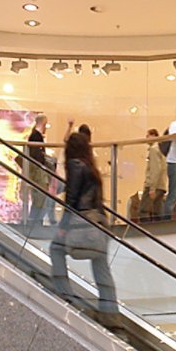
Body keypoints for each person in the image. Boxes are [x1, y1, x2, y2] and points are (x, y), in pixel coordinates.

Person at [48, 130, 118, 314]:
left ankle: (65, 295)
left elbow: (71, 198)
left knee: (56, 248)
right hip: (100, 223)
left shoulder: (75, 164)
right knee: (101, 267)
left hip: (83, 222)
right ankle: (110, 312)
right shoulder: (91, 167)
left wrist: (63, 226)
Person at [20, 114, 54, 230]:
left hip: (36, 171)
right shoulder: (36, 136)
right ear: (43, 123)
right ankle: (33, 222)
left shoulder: (35, 135)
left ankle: (34, 221)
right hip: (37, 172)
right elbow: (36, 156)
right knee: (40, 198)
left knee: (40, 198)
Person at [141, 128, 168, 221]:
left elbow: (155, 169)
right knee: (157, 211)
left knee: (143, 210)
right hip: (161, 185)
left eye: (148, 135)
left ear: (154, 136)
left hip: (153, 185)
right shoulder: (162, 150)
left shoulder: (153, 150)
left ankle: (145, 230)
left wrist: (152, 188)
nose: (146, 138)